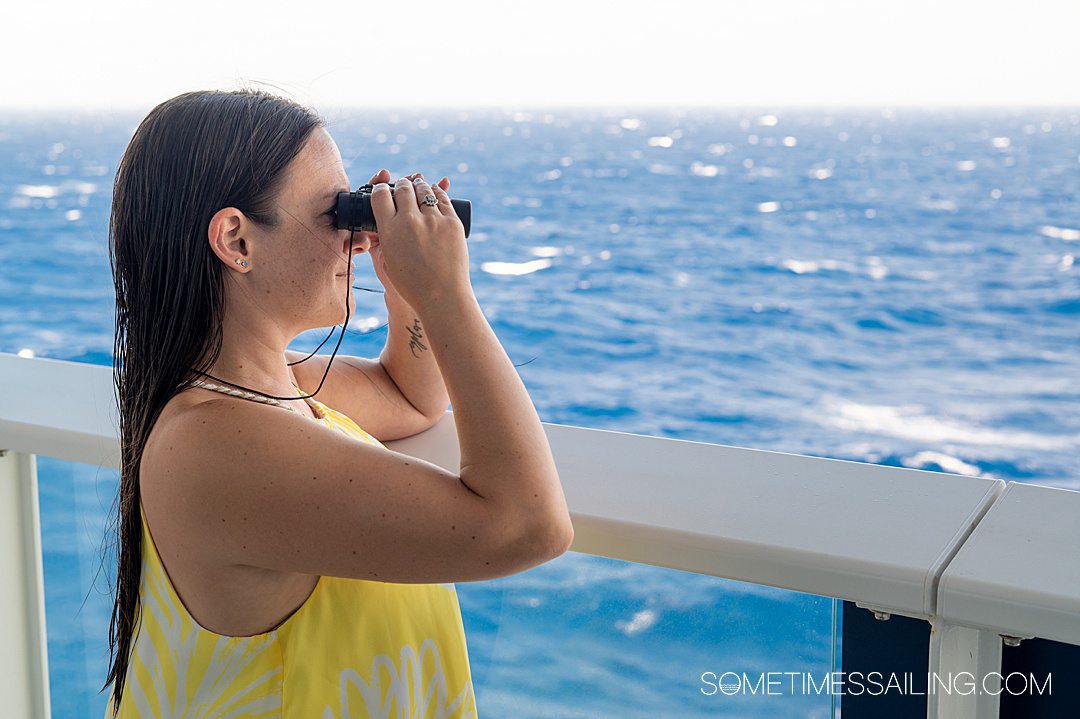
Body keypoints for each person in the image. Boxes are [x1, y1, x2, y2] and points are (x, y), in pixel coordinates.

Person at [101, 87, 574, 718]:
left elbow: (409, 395)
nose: (356, 237)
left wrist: (404, 283)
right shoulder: (215, 445)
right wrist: (445, 294)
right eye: (337, 213)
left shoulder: (263, 389)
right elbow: (527, 527)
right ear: (236, 241)